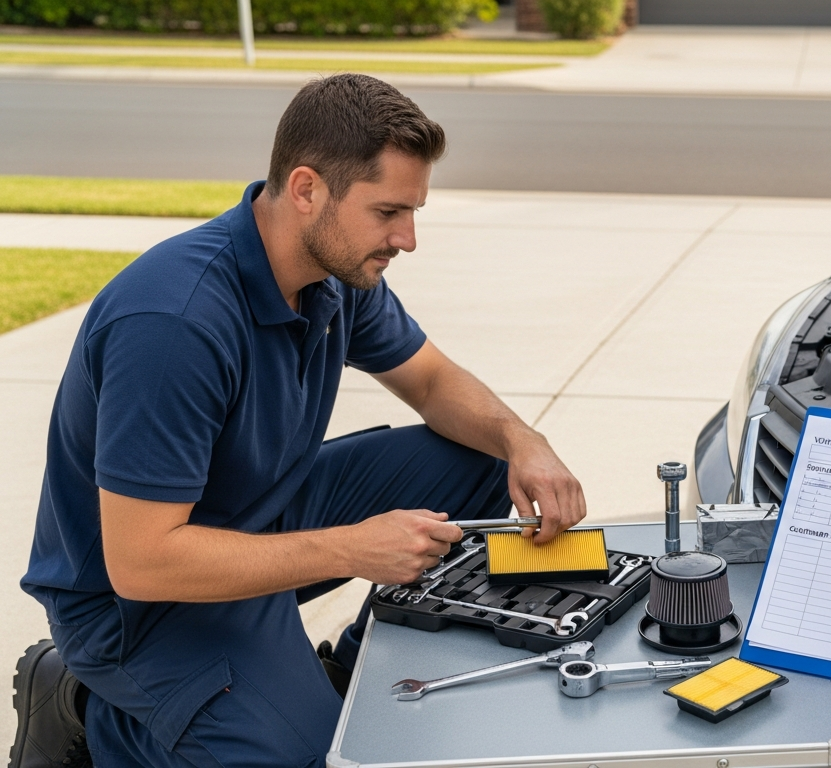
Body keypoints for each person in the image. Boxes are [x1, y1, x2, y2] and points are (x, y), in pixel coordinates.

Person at [11, 73, 587, 768]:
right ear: (308, 189)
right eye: (388, 212)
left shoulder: (335, 276)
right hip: (136, 605)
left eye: (414, 211)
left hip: (257, 516)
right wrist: (352, 548)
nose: (407, 238)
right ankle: (88, 714)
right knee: (304, 759)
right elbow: (141, 562)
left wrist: (526, 441)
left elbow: (432, 381)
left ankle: (344, 674)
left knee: (484, 459)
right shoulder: (174, 324)